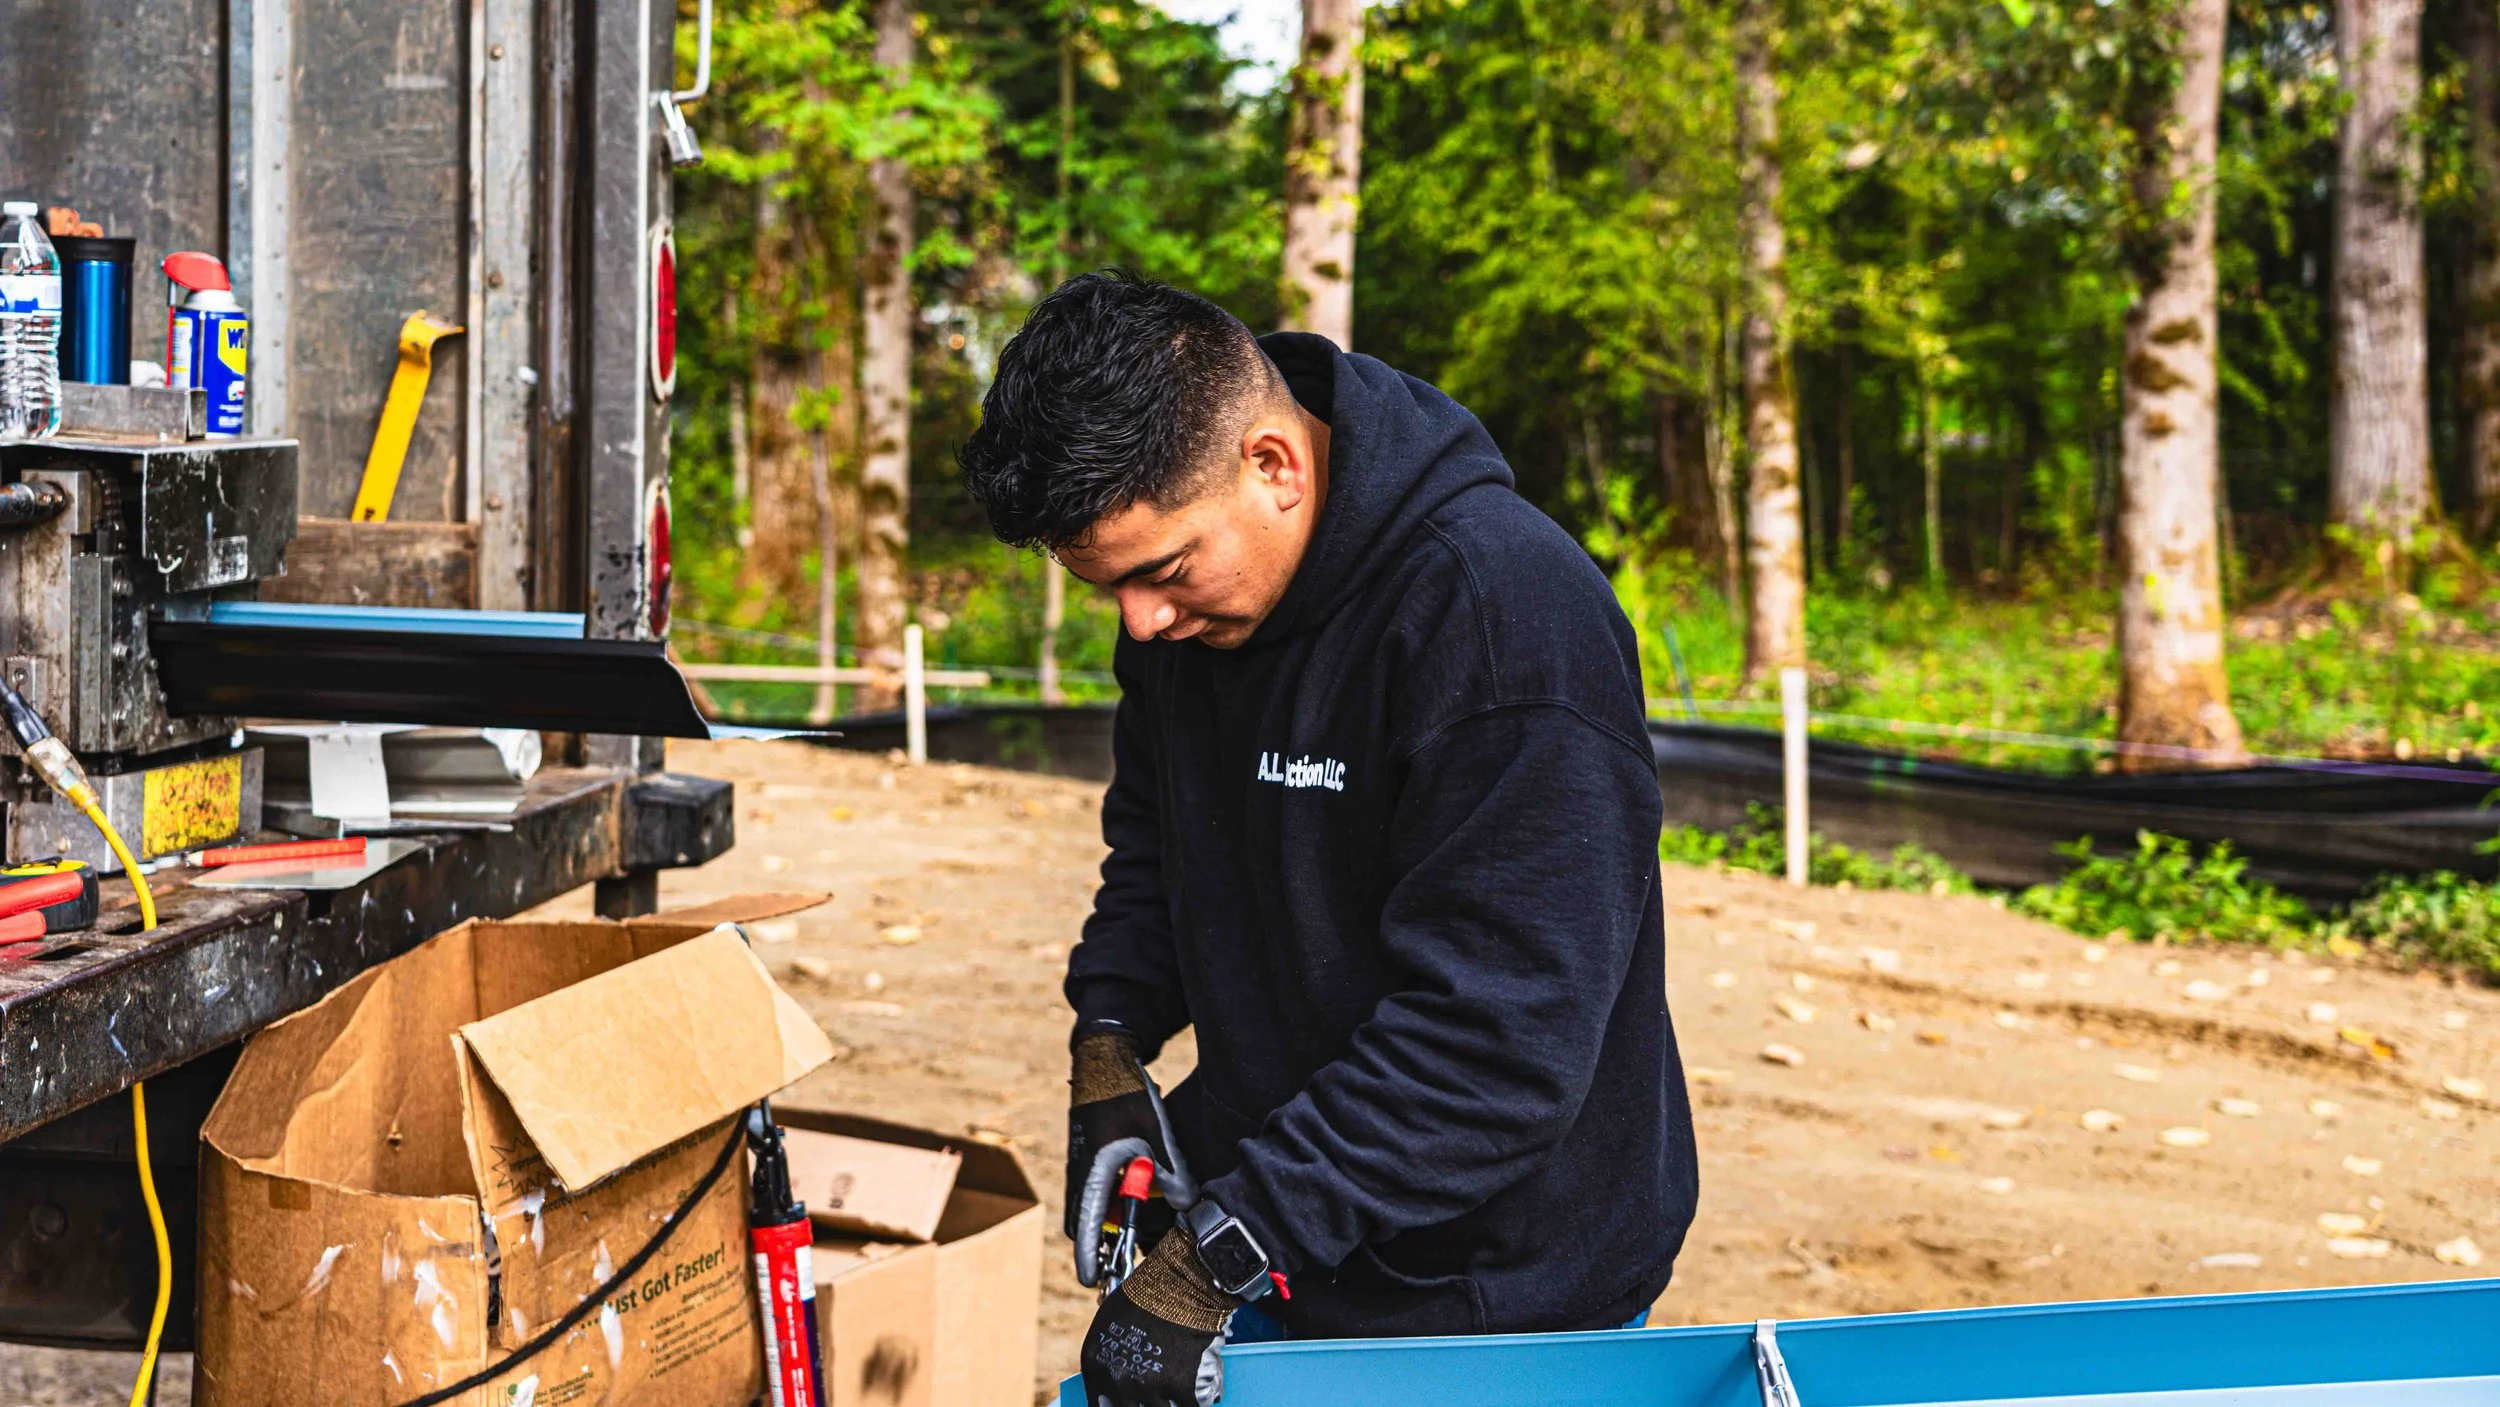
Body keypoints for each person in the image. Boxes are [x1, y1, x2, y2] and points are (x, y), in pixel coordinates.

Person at [958, 272, 1698, 1407]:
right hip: (1283, 1217)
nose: (1141, 624)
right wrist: (1109, 1033)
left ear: (1274, 463)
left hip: (1497, 1301)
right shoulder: (1187, 615)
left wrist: (1220, 1256)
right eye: (1105, 587)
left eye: (1160, 572)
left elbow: (1495, 1046)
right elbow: (1159, 840)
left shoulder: (1502, 625)